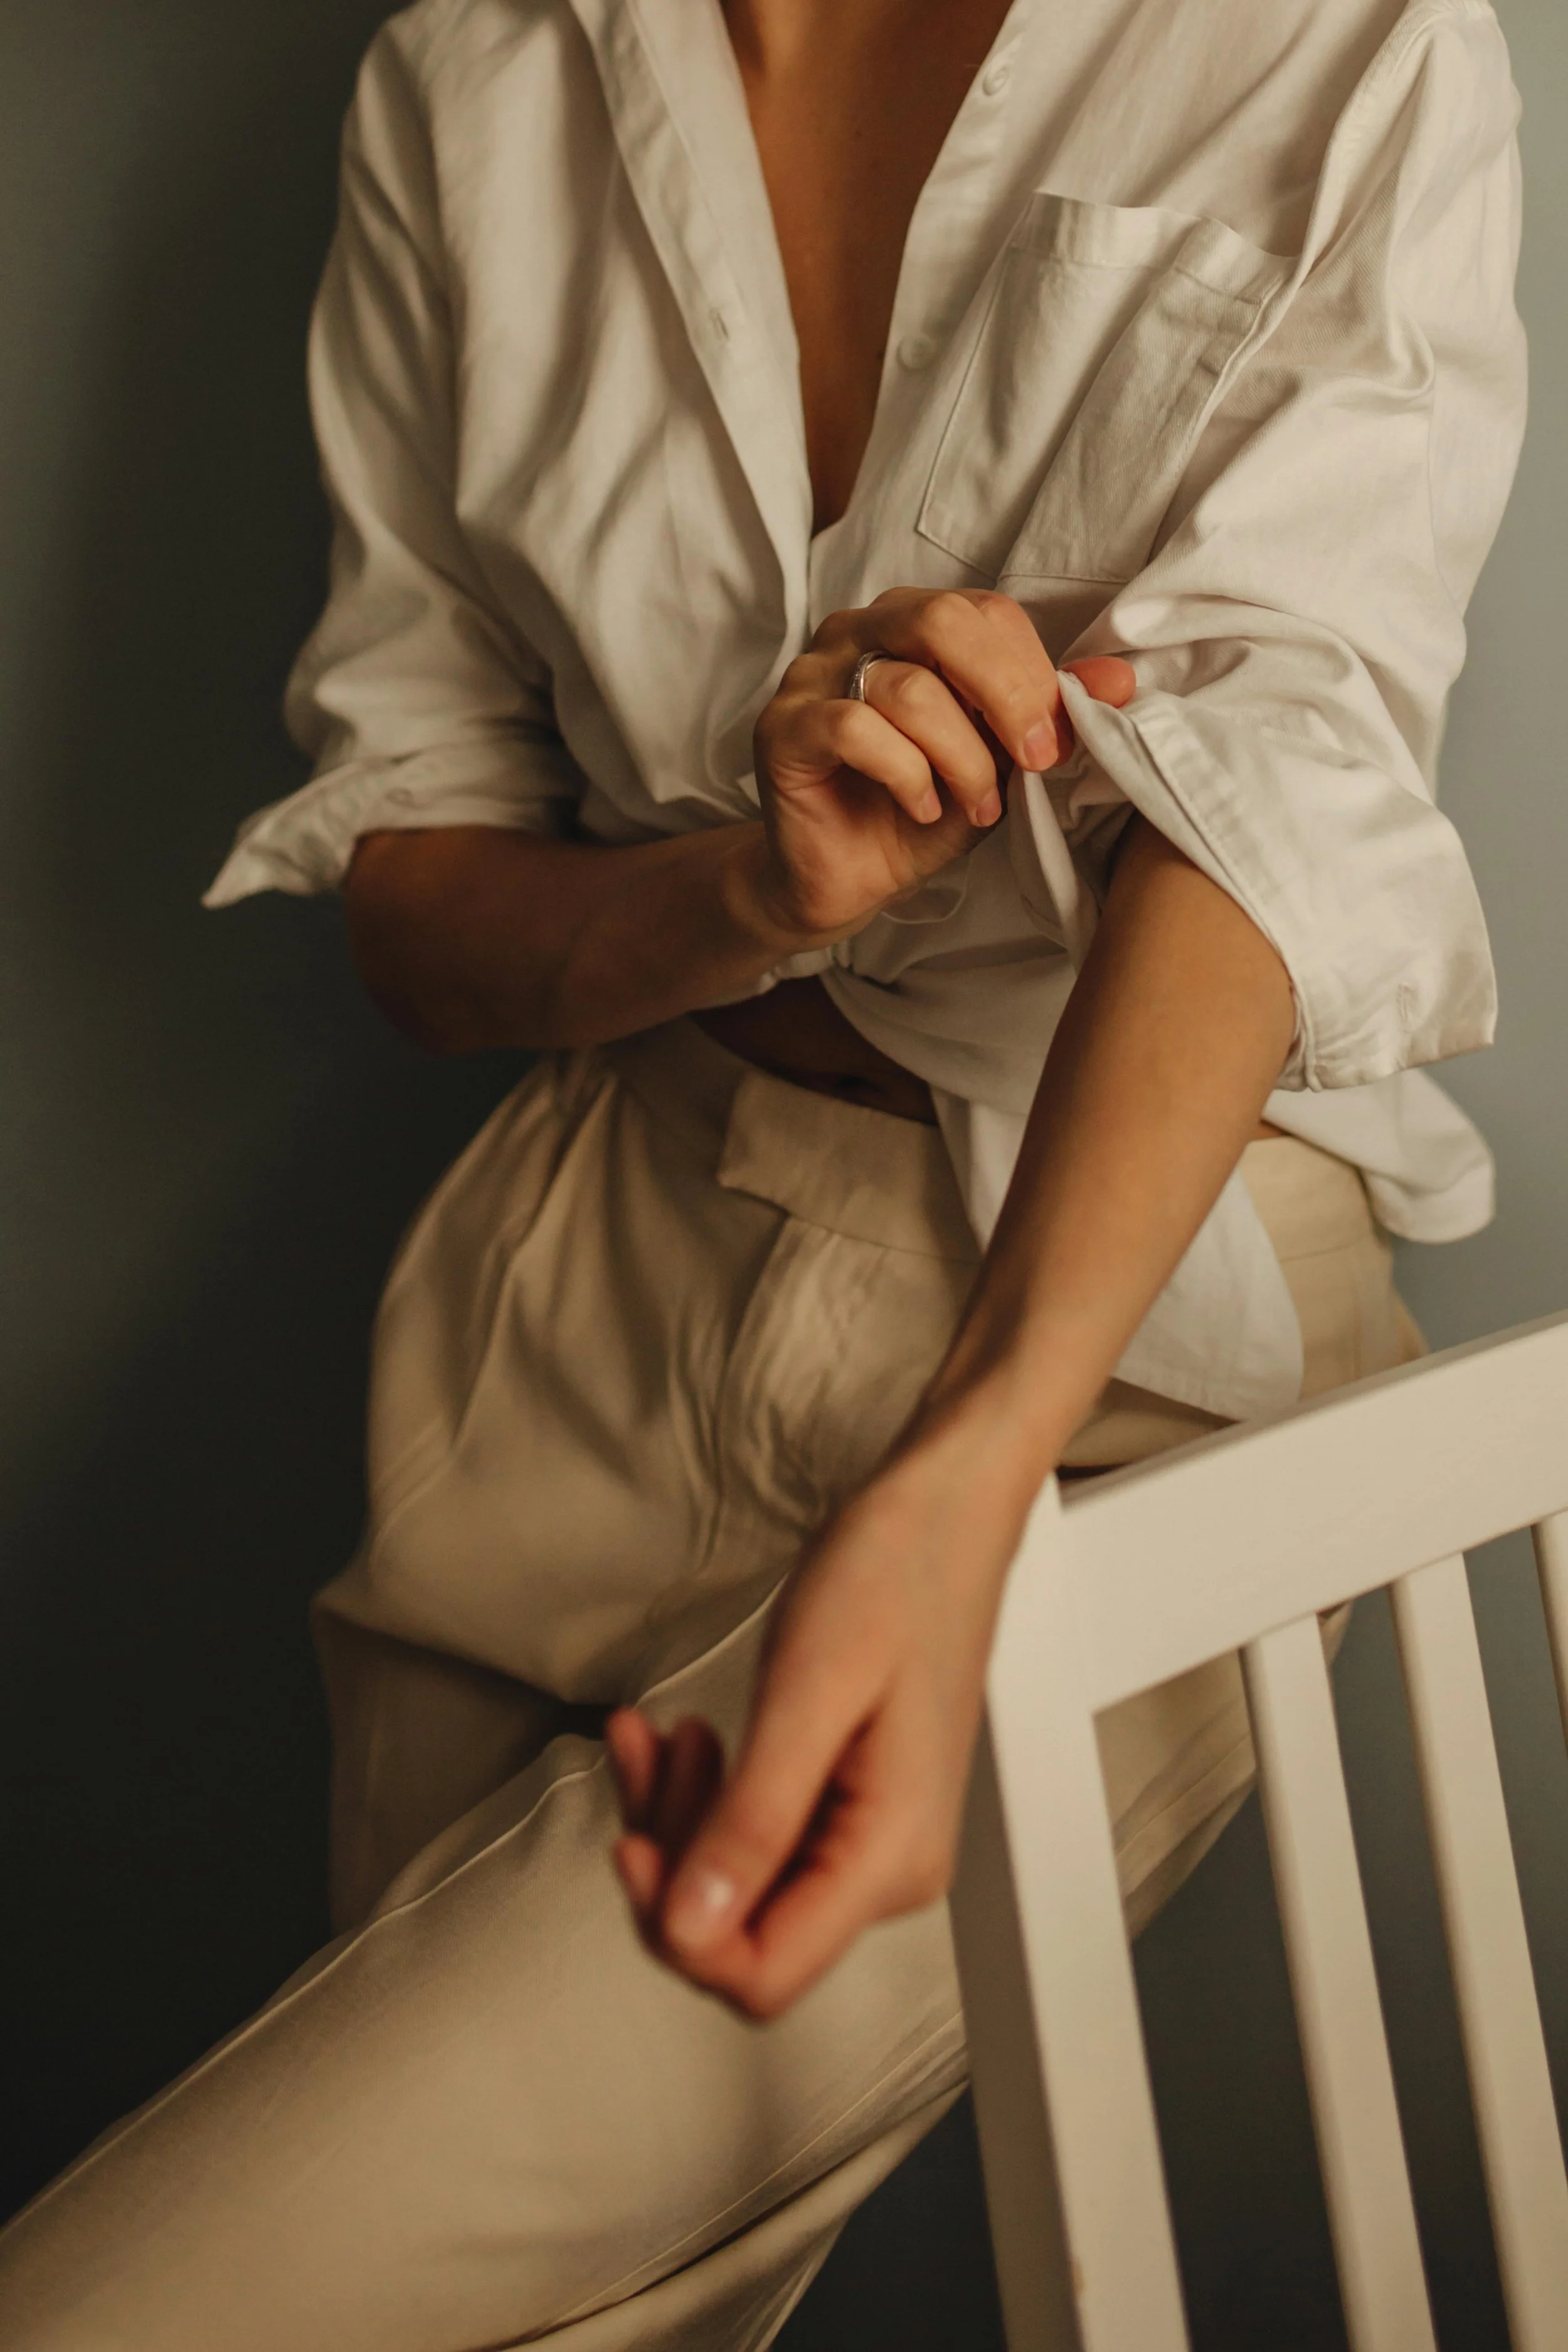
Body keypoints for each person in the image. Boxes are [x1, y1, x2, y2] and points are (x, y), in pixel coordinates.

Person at [0, 0, 1524, 2343]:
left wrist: (976, 1466)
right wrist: (754, 882)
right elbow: (416, 887)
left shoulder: (1336, 33)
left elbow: (1278, 786)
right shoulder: (465, 77)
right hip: (581, 1298)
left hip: (1099, 1362)